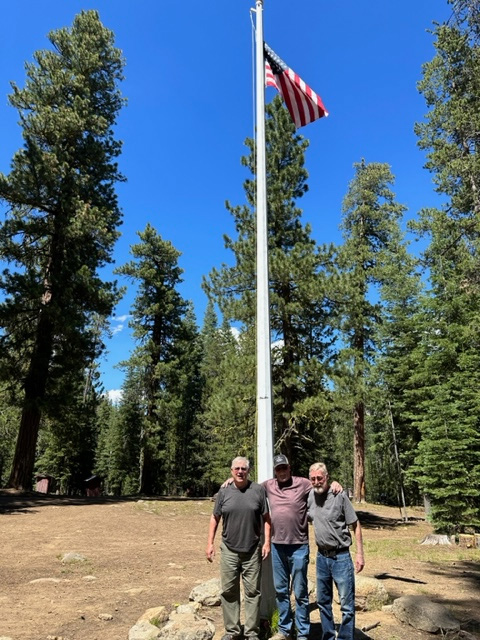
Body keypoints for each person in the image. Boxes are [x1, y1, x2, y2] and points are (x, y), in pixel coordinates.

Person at [222, 454, 342, 640]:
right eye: (278, 469)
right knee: (281, 591)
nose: (282, 471)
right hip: (278, 546)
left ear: (289, 468)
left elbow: (320, 485)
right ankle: (285, 630)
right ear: (275, 471)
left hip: (299, 546)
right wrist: (232, 479)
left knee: (301, 592)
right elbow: (246, 486)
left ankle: (303, 633)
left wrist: (334, 483)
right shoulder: (268, 485)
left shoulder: (303, 483)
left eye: (284, 468)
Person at [206, 456, 271, 640]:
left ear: (248, 471)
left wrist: (266, 542)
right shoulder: (224, 491)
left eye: (244, 468)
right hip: (229, 550)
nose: (240, 471)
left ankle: (251, 632)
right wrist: (209, 543)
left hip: (252, 550)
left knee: (252, 592)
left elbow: (267, 519)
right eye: (237, 469)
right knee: (228, 591)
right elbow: (215, 518)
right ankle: (232, 631)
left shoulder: (258, 490)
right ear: (231, 471)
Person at [307, 462, 365, 640]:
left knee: (347, 604)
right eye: (313, 479)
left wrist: (360, 553)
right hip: (321, 557)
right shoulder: (310, 496)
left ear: (327, 477)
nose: (317, 482)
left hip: (341, 557)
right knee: (324, 602)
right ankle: (328, 636)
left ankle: (346, 637)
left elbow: (355, 525)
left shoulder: (338, 495)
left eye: (319, 478)